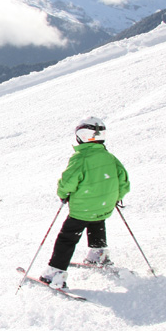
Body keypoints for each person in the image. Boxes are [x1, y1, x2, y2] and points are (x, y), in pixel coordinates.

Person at [40, 117, 130, 289]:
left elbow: (68, 182)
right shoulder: (110, 157)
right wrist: (115, 197)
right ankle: (98, 253)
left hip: (83, 208)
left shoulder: (80, 158)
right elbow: (124, 181)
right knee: (97, 222)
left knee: (67, 238)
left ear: (81, 136)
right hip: (105, 205)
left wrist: (63, 194)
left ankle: (55, 272)